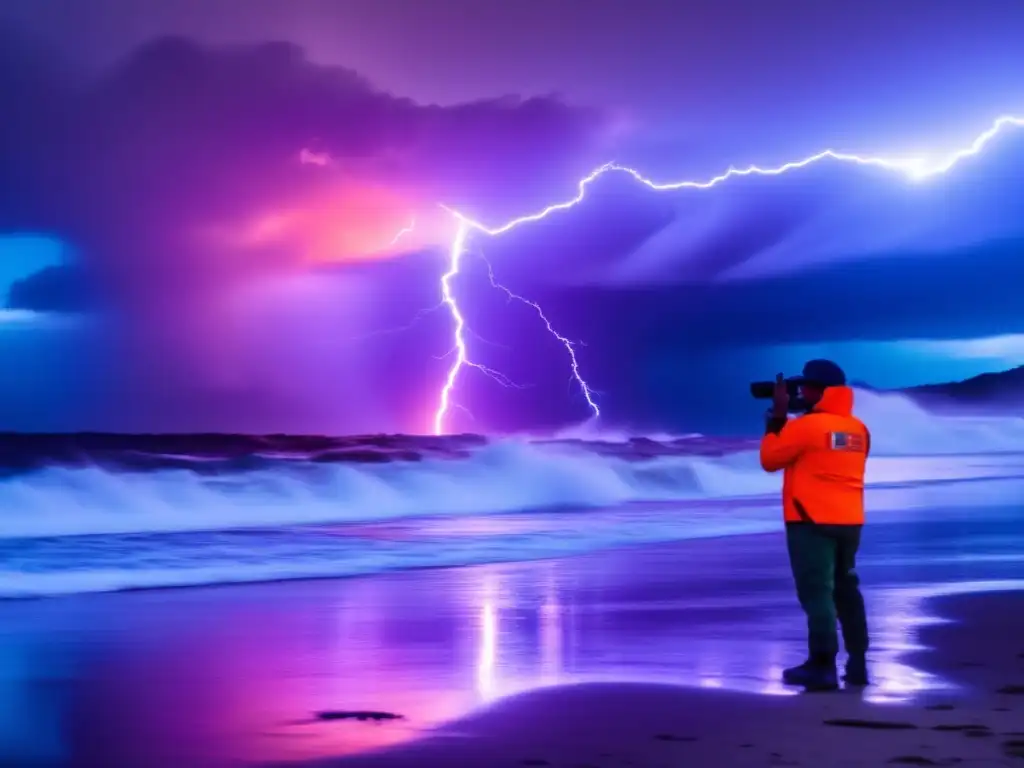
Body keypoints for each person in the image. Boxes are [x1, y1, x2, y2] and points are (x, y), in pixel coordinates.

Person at [759, 359, 871, 691]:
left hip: (809, 520)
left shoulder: (806, 426)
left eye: (806, 386)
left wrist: (777, 417)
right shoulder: (858, 429)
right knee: (846, 590)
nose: (800, 391)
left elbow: (769, 459)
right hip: (850, 520)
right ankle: (858, 663)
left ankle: (822, 665)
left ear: (820, 391)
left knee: (816, 592)